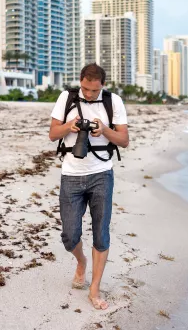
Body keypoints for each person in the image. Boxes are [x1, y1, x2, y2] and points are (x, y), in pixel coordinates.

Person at [49, 63, 129, 310]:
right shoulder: (67, 97)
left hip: (101, 174)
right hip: (71, 175)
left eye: (94, 91)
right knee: (69, 235)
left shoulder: (113, 101)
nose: (89, 94)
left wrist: (104, 130)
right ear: (80, 81)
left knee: (101, 233)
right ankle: (81, 261)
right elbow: (53, 134)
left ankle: (94, 288)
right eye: (85, 88)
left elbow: (124, 140)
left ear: (102, 85)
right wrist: (69, 126)